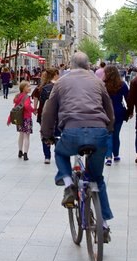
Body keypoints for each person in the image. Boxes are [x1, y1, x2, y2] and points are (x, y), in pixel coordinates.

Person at [40, 52, 114, 241]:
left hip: (72, 131)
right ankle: (104, 224)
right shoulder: (98, 83)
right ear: (88, 65)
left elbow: (49, 111)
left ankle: (68, 185)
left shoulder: (61, 83)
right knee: (98, 179)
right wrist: (109, 128)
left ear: (71, 66)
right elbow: (109, 108)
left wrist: (47, 135)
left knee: (60, 153)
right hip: (98, 133)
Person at [103, 65, 129, 166]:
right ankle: (116, 154)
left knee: (109, 134)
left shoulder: (103, 85)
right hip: (119, 111)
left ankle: (108, 156)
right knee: (116, 134)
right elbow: (128, 98)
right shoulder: (122, 84)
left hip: (106, 112)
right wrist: (130, 111)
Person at [34, 67, 59, 164]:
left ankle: (47, 157)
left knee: (45, 134)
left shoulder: (41, 87)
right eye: (58, 74)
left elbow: (36, 97)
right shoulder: (58, 86)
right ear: (55, 75)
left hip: (43, 114)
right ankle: (58, 155)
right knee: (57, 134)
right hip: (56, 114)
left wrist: (35, 108)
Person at [7, 81, 35, 160]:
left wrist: (9, 119)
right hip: (26, 118)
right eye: (28, 86)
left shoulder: (18, 96)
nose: (30, 88)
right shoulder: (27, 97)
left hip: (19, 119)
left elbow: (15, 108)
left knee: (21, 135)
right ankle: (25, 154)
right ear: (23, 88)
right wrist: (34, 110)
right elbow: (27, 106)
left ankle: (20, 151)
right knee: (27, 136)